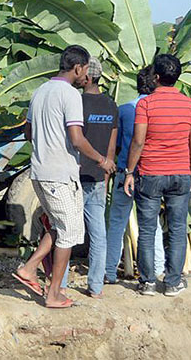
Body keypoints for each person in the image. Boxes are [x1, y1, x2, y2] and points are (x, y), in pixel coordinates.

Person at [13, 45, 116, 309]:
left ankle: (30, 268)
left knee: (59, 227)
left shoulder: (40, 91)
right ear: (78, 68)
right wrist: (102, 159)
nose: (85, 78)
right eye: (84, 71)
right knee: (70, 233)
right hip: (60, 175)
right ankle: (54, 292)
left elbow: (28, 133)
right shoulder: (70, 95)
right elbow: (77, 139)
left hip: (39, 172)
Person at [124, 54, 191, 297]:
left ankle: (147, 282)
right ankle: (172, 282)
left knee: (147, 229)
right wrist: (190, 169)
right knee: (177, 229)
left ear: (156, 77)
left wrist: (129, 172)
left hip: (150, 173)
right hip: (180, 173)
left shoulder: (146, 105)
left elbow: (138, 141)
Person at [105, 66, 165, 284]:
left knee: (117, 223)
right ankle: (158, 269)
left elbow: (118, 145)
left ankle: (109, 271)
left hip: (125, 173)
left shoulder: (125, 109)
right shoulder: (159, 109)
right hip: (151, 174)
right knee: (152, 223)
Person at [78, 57, 118, 299]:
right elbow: (111, 145)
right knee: (98, 233)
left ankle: (60, 283)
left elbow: (73, 140)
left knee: (68, 233)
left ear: (88, 77)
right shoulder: (111, 105)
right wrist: (106, 169)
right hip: (99, 175)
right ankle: (95, 287)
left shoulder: (77, 102)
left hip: (77, 175)